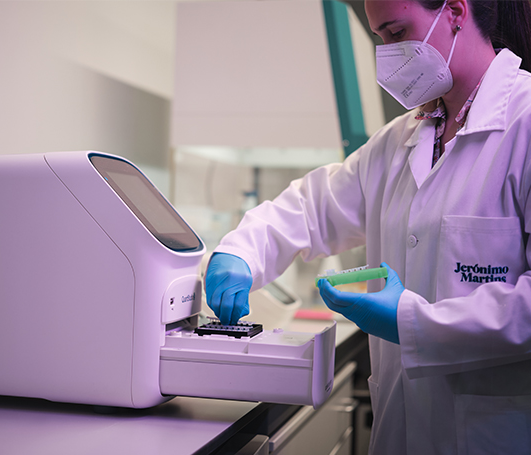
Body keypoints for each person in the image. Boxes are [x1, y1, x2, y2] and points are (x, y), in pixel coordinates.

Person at [204, 0, 531, 453]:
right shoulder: (401, 140)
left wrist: (414, 322)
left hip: (494, 434)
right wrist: (242, 249)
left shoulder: (525, 123)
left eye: (396, 33)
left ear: (456, 11)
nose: (389, 56)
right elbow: (313, 206)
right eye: (380, 39)